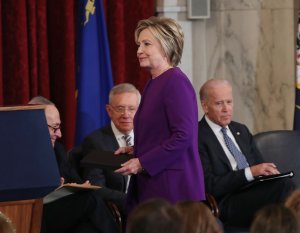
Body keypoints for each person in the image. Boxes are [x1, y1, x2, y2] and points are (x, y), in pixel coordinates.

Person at [115, 16, 205, 211]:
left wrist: (142, 162)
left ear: (166, 46)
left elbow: (183, 136)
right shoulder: (154, 83)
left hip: (172, 189)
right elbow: (161, 134)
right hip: (155, 183)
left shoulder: (175, 82)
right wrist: (135, 149)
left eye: (147, 44)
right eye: (139, 44)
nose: (139, 51)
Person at [198, 79, 295, 227]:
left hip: (254, 191)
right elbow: (210, 185)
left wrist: (270, 174)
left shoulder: (241, 130)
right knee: (284, 188)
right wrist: (250, 172)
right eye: (219, 103)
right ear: (205, 106)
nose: (226, 109)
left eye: (229, 102)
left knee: (285, 184)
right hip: (227, 201)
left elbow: (259, 166)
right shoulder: (198, 136)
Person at [29, 96, 120, 233]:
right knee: (91, 200)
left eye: (59, 126)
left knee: (87, 229)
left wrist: (82, 186)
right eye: (55, 128)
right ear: (36, 125)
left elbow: (76, 183)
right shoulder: (19, 155)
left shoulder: (58, 151)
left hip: (63, 213)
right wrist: (51, 188)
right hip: (36, 215)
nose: (59, 134)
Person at [80, 83, 141, 218]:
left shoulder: (148, 140)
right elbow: (96, 187)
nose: (126, 114)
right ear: (109, 110)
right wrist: (131, 201)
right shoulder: (95, 142)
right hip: (118, 210)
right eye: (120, 108)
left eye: (132, 109)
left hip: (150, 206)